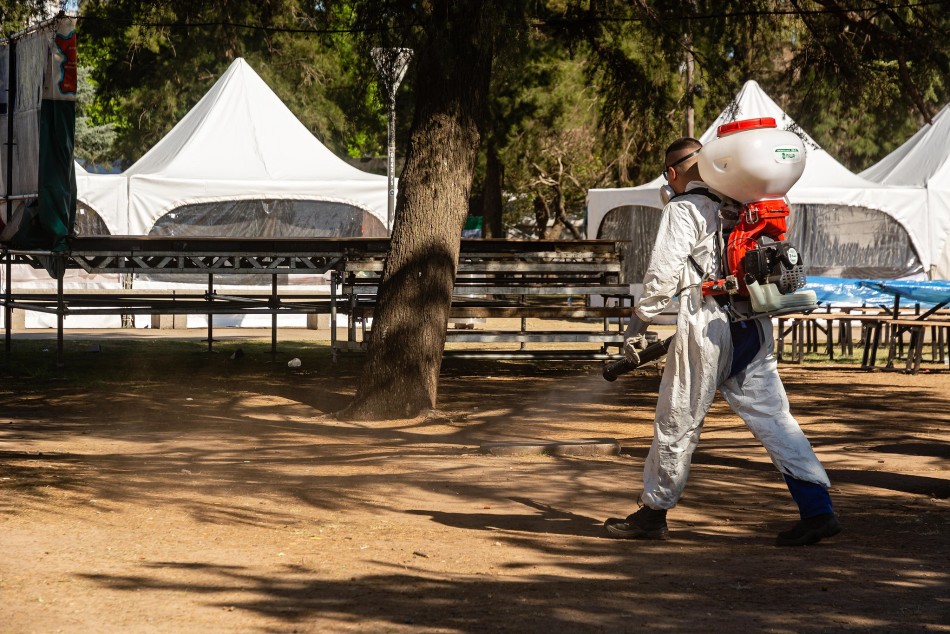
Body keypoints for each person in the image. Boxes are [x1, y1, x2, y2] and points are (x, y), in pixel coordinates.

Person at [604, 137, 841, 547]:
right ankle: (818, 510)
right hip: (753, 326)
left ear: (672, 173)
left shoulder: (684, 208)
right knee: (776, 419)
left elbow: (662, 275)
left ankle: (653, 513)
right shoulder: (742, 203)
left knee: (677, 420)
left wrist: (637, 327)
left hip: (708, 328)